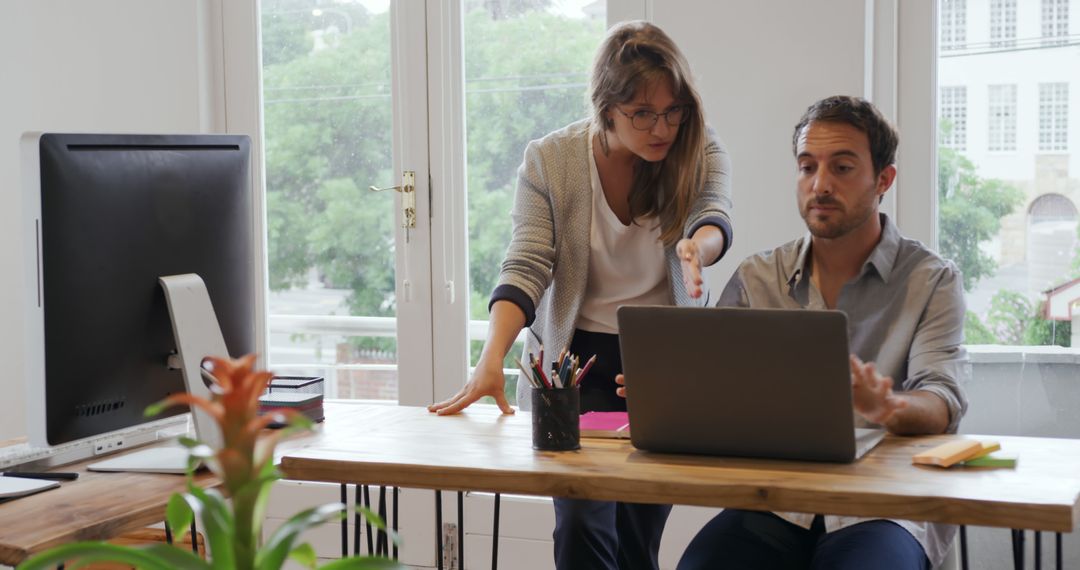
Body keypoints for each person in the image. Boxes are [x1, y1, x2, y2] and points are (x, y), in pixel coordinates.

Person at [428, 21, 734, 570]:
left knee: (637, 540)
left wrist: (697, 249)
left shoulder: (697, 146)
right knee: (580, 524)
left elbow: (713, 213)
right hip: (572, 368)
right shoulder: (552, 160)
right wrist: (490, 357)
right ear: (605, 107)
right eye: (643, 113)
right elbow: (527, 262)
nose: (662, 127)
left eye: (672, 110)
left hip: (659, 366)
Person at [669, 95, 967, 570]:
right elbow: (720, 391)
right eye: (807, 167)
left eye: (843, 168)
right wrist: (673, 395)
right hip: (776, 503)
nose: (820, 184)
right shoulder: (758, 276)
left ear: (883, 179)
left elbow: (942, 398)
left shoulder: (932, 279)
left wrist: (889, 407)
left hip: (883, 508)